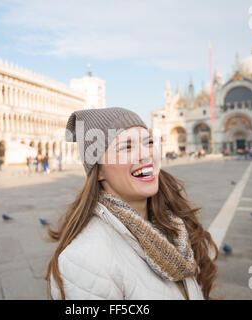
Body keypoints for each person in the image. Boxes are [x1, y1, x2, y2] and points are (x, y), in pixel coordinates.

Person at [46, 107, 218, 300]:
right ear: (99, 171)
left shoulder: (174, 225)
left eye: (149, 142)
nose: (146, 155)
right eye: (126, 147)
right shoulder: (84, 260)